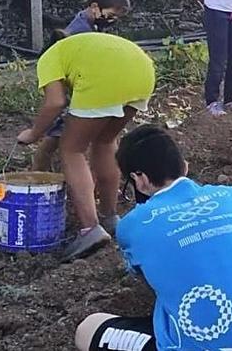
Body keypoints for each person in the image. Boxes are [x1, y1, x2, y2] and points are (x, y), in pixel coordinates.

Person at [74, 126, 232, 351]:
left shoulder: (133, 225)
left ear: (138, 179)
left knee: (88, 329)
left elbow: (152, 282)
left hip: (201, 343)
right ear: (184, 165)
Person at [17, 32, 155, 260]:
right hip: (142, 72)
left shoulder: (49, 58)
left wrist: (33, 133)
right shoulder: (80, 46)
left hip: (103, 79)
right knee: (105, 141)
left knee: (72, 150)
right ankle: (110, 217)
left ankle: (90, 229)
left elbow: (55, 102)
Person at [33, 0, 132, 173]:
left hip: (85, 90)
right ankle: (39, 177)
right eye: (111, 15)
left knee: (65, 138)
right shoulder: (79, 34)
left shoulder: (92, 24)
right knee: (60, 140)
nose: (112, 20)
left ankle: (46, 174)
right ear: (95, 7)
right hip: (76, 93)